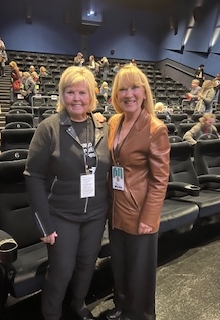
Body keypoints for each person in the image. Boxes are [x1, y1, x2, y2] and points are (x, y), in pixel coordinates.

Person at [24, 66, 110, 320]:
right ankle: (51, 315)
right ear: (62, 95)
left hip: (96, 214)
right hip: (61, 214)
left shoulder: (101, 126)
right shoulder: (49, 128)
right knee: (61, 270)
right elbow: (33, 176)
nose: (76, 98)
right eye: (70, 92)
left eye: (82, 92)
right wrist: (43, 225)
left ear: (91, 96)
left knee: (86, 265)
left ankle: (78, 304)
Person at [106, 64, 170, 320]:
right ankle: (122, 307)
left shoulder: (156, 129)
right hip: (116, 209)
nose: (129, 94)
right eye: (123, 89)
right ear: (116, 95)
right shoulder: (113, 122)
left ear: (144, 92)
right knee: (120, 264)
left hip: (140, 212)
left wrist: (149, 217)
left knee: (140, 271)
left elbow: (160, 179)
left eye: (134, 88)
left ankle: (141, 315)